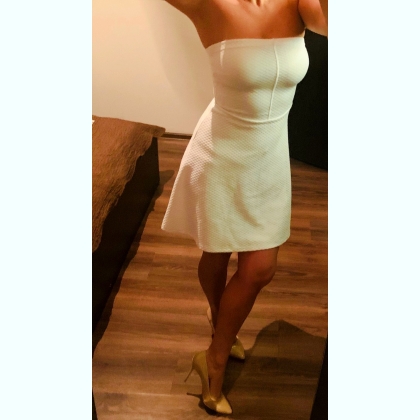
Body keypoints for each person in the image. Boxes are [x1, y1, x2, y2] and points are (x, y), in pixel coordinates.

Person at [161, 0, 328, 414]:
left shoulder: (300, 4)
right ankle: (218, 341)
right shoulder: (208, 4)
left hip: (270, 157)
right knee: (217, 252)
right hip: (222, 152)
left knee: (259, 269)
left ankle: (215, 347)